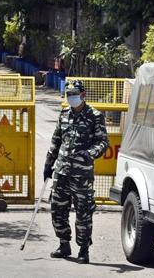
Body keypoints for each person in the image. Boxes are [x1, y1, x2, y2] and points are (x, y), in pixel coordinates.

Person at [44, 80, 109, 264]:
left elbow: (103, 142)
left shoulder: (95, 116)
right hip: (62, 171)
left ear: (83, 95)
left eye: (74, 94)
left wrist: (89, 154)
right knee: (57, 209)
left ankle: (83, 249)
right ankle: (64, 244)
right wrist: (49, 162)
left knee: (83, 213)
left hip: (82, 175)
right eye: (68, 94)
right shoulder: (64, 114)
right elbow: (57, 139)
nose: (71, 98)